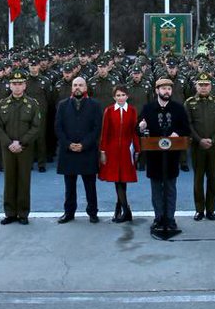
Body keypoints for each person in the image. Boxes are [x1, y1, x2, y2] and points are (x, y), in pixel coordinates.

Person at [138, 77, 190, 237]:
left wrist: (178, 133)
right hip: (154, 156)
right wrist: (141, 126)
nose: (166, 91)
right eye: (163, 88)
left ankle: (170, 218)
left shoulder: (178, 108)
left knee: (170, 188)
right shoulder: (148, 108)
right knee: (156, 189)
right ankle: (158, 217)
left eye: (169, 89)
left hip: (172, 155)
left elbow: (185, 128)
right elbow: (138, 127)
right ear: (157, 90)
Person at [0, 70, 42, 225]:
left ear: (25, 85)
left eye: (20, 84)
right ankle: (10, 213)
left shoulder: (32, 104)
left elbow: (36, 126)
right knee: (9, 179)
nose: (17, 87)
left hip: (25, 148)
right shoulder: (2, 105)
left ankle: (23, 213)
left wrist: (21, 143)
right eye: (14, 84)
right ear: (10, 85)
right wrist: (9, 143)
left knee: (23, 179)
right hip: (8, 148)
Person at [55, 76, 103, 223]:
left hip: (87, 151)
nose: (77, 87)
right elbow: (58, 127)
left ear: (86, 88)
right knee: (69, 186)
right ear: (71, 87)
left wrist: (84, 144)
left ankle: (93, 212)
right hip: (68, 151)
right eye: (75, 85)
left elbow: (97, 128)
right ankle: (69, 212)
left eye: (80, 85)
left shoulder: (95, 105)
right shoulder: (62, 105)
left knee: (90, 185)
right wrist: (68, 144)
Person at [185, 72, 215, 221]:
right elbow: (188, 124)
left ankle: (211, 209)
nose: (203, 87)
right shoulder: (189, 102)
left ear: (211, 86)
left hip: (213, 146)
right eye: (200, 85)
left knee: (212, 177)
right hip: (197, 146)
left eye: (206, 85)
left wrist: (213, 140)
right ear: (196, 86)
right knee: (198, 178)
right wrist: (199, 140)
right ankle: (199, 209)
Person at [99, 85, 140, 223]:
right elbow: (105, 132)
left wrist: (138, 149)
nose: (121, 98)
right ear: (114, 97)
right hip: (113, 149)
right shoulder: (109, 111)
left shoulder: (132, 111)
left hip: (127, 149)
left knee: (123, 179)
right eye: (118, 95)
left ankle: (119, 208)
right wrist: (103, 151)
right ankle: (126, 210)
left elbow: (135, 131)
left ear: (127, 96)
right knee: (117, 179)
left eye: (123, 95)